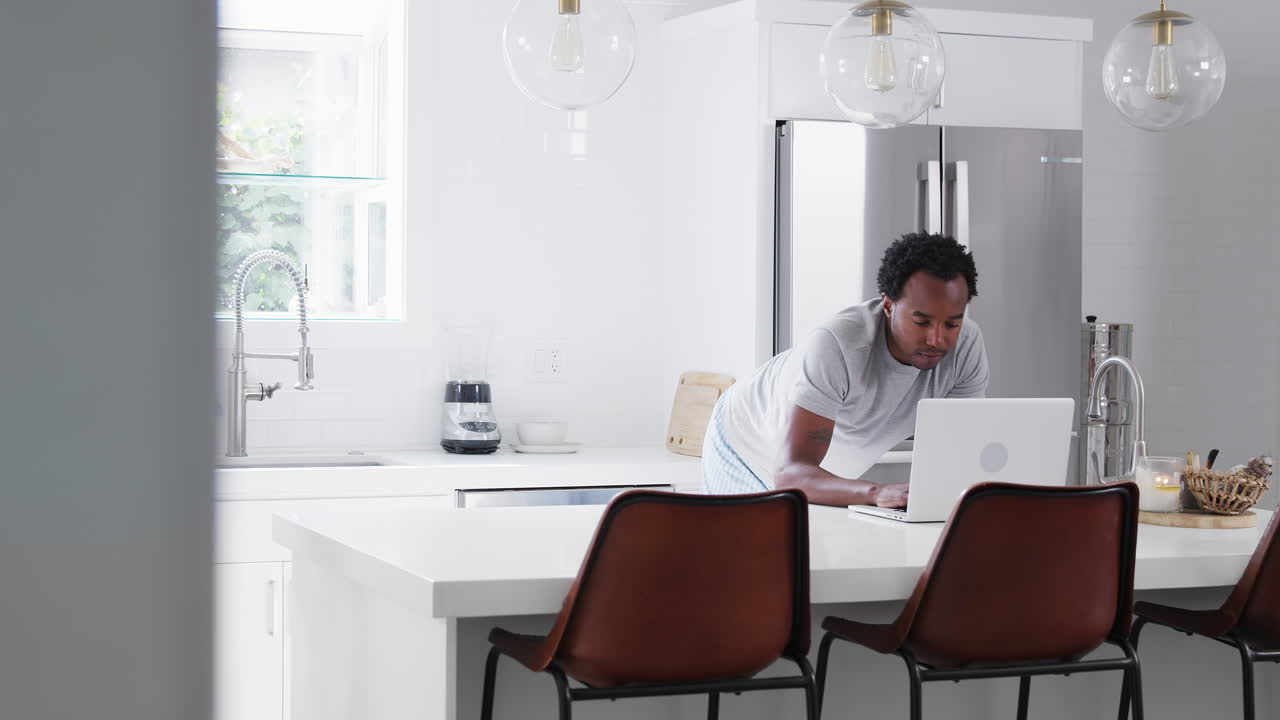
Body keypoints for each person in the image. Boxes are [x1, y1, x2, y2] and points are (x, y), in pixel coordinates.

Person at [702, 232, 989, 507]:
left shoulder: (965, 348)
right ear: (888, 305)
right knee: (755, 554)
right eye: (922, 322)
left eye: (952, 323)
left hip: (825, 472)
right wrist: (876, 492)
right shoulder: (836, 346)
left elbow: (955, 450)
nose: (937, 339)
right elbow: (790, 472)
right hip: (745, 446)